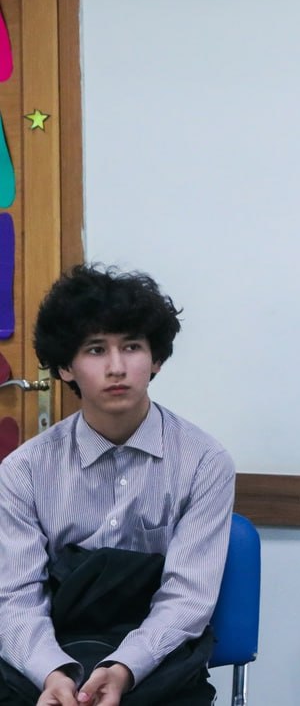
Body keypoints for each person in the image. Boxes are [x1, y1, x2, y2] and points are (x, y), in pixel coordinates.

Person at [0, 264, 234, 706]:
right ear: (65, 367)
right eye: (95, 350)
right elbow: (16, 599)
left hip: (156, 660)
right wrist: (52, 673)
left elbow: (187, 598)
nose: (116, 367)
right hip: (49, 659)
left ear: (156, 359)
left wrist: (124, 668)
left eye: (131, 347)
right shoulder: (23, 471)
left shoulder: (205, 462)